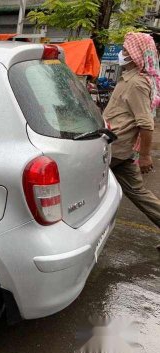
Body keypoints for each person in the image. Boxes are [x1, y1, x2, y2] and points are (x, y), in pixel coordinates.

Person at [103, 32, 160, 233]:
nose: (121, 53)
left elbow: (146, 124)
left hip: (115, 148)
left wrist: (145, 156)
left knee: (76, 183)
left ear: (136, 53)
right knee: (138, 192)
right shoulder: (129, 78)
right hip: (119, 148)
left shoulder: (136, 83)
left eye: (125, 50)